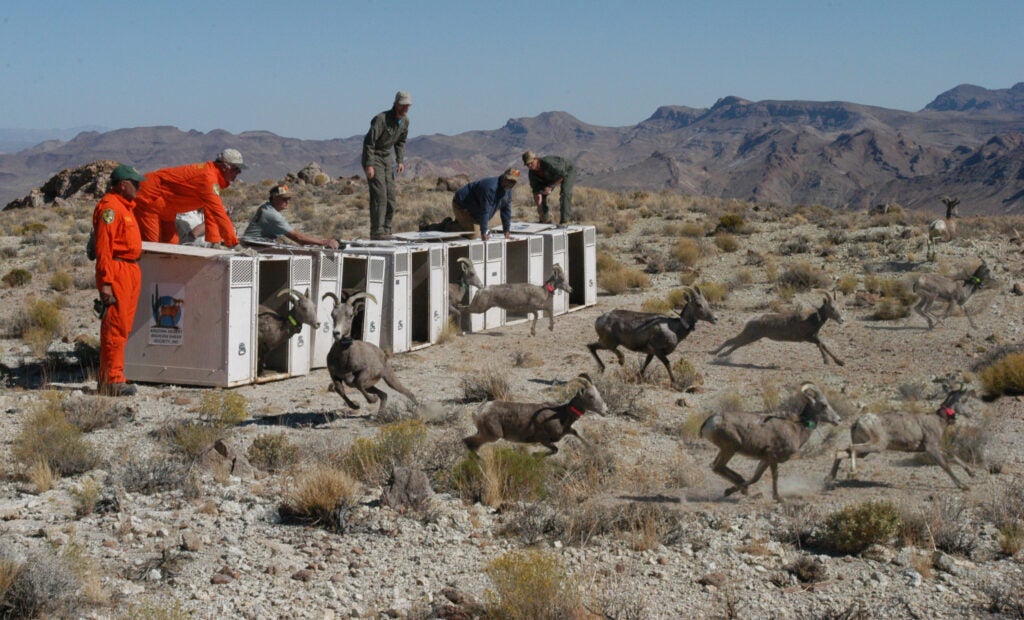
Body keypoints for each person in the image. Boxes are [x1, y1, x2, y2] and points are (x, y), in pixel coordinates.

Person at [92, 164, 146, 397]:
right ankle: (111, 380)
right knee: (115, 326)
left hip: (130, 269)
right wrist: (106, 281)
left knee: (123, 326)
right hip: (117, 270)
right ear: (123, 185)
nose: (139, 188)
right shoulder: (110, 208)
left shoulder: (125, 207)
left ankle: (116, 374)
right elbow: (104, 247)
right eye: (135, 184)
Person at [134, 148, 246, 247]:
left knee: (172, 244)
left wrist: (214, 241)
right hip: (149, 198)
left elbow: (211, 211)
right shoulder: (208, 178)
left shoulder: (213, 178)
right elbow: (218, 212)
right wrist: (233, 243)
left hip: (166, 205)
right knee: (153, 246)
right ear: (225, 167)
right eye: (236, 169)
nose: (239, 173)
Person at [362, 91, 411, 239]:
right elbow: (369, 143)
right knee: (380, 196)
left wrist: (400, 160)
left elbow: (401, 142)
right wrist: (369, 165)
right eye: (403, 105)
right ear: (396, 104)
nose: (405, 109)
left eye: (408, 106)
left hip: (387, 158)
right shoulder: (381, 119)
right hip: (374, 156)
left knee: (391, 196)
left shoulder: (405, 122)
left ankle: (387, 229)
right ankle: (377, 232)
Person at [241, 184, 340, 248]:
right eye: (284, 199)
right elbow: (298, 239)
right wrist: (324, 242)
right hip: (254, 247)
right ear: (274, 198)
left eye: (289, 198)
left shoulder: (266, 207)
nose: (287, 202)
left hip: (253, 244)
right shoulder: (272, 215)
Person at [451, 168, 519, 240]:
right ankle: (447, 226)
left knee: (476, 229)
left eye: (513, 182)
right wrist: (484, 232)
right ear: (504, 177)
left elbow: (506, 212)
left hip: (475, 211)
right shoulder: (490, 188)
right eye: (508, 180)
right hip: (462, 205)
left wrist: (506, 231)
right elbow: (485, 211)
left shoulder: (507, 191)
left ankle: (461, 223)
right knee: (473, 235)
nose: (510, 183)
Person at [522, 151, 577, 225]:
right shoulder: (532, 174)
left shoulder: (548, 163)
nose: (530, 166)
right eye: (527, 165)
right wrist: (539, 202)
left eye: (531, 163)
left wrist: (550, 186)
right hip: (551, 177)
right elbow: (536, 191)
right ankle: (545, 219)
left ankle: (565, 221)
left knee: (565, 192)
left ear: (536, 159)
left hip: (567, 171)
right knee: (542, 193)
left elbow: (563, 174)